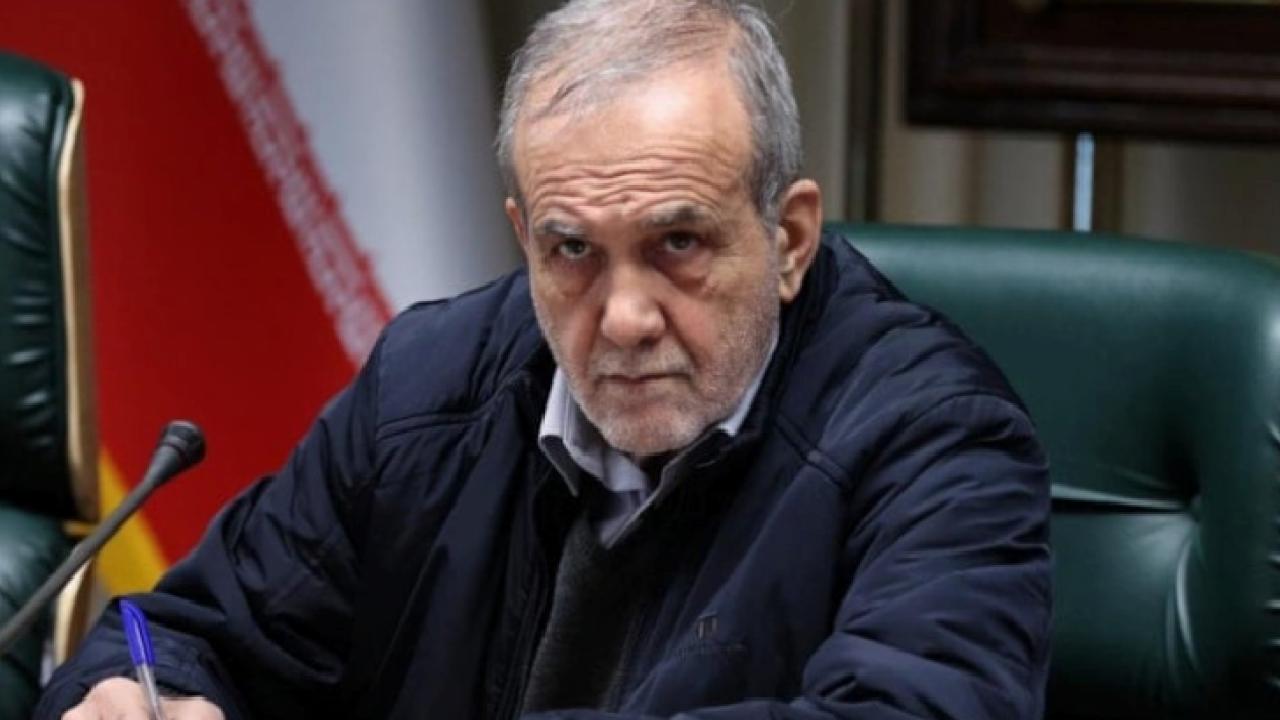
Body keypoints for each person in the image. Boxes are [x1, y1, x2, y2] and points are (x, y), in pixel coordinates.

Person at [41, 1, 1051, 718]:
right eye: (572, 251)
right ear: (524, 237)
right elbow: (190, 631)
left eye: (678, 244)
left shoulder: (937, 439)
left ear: (787, 241)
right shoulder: (427, 386)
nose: (623, 318)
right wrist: (135, 692)